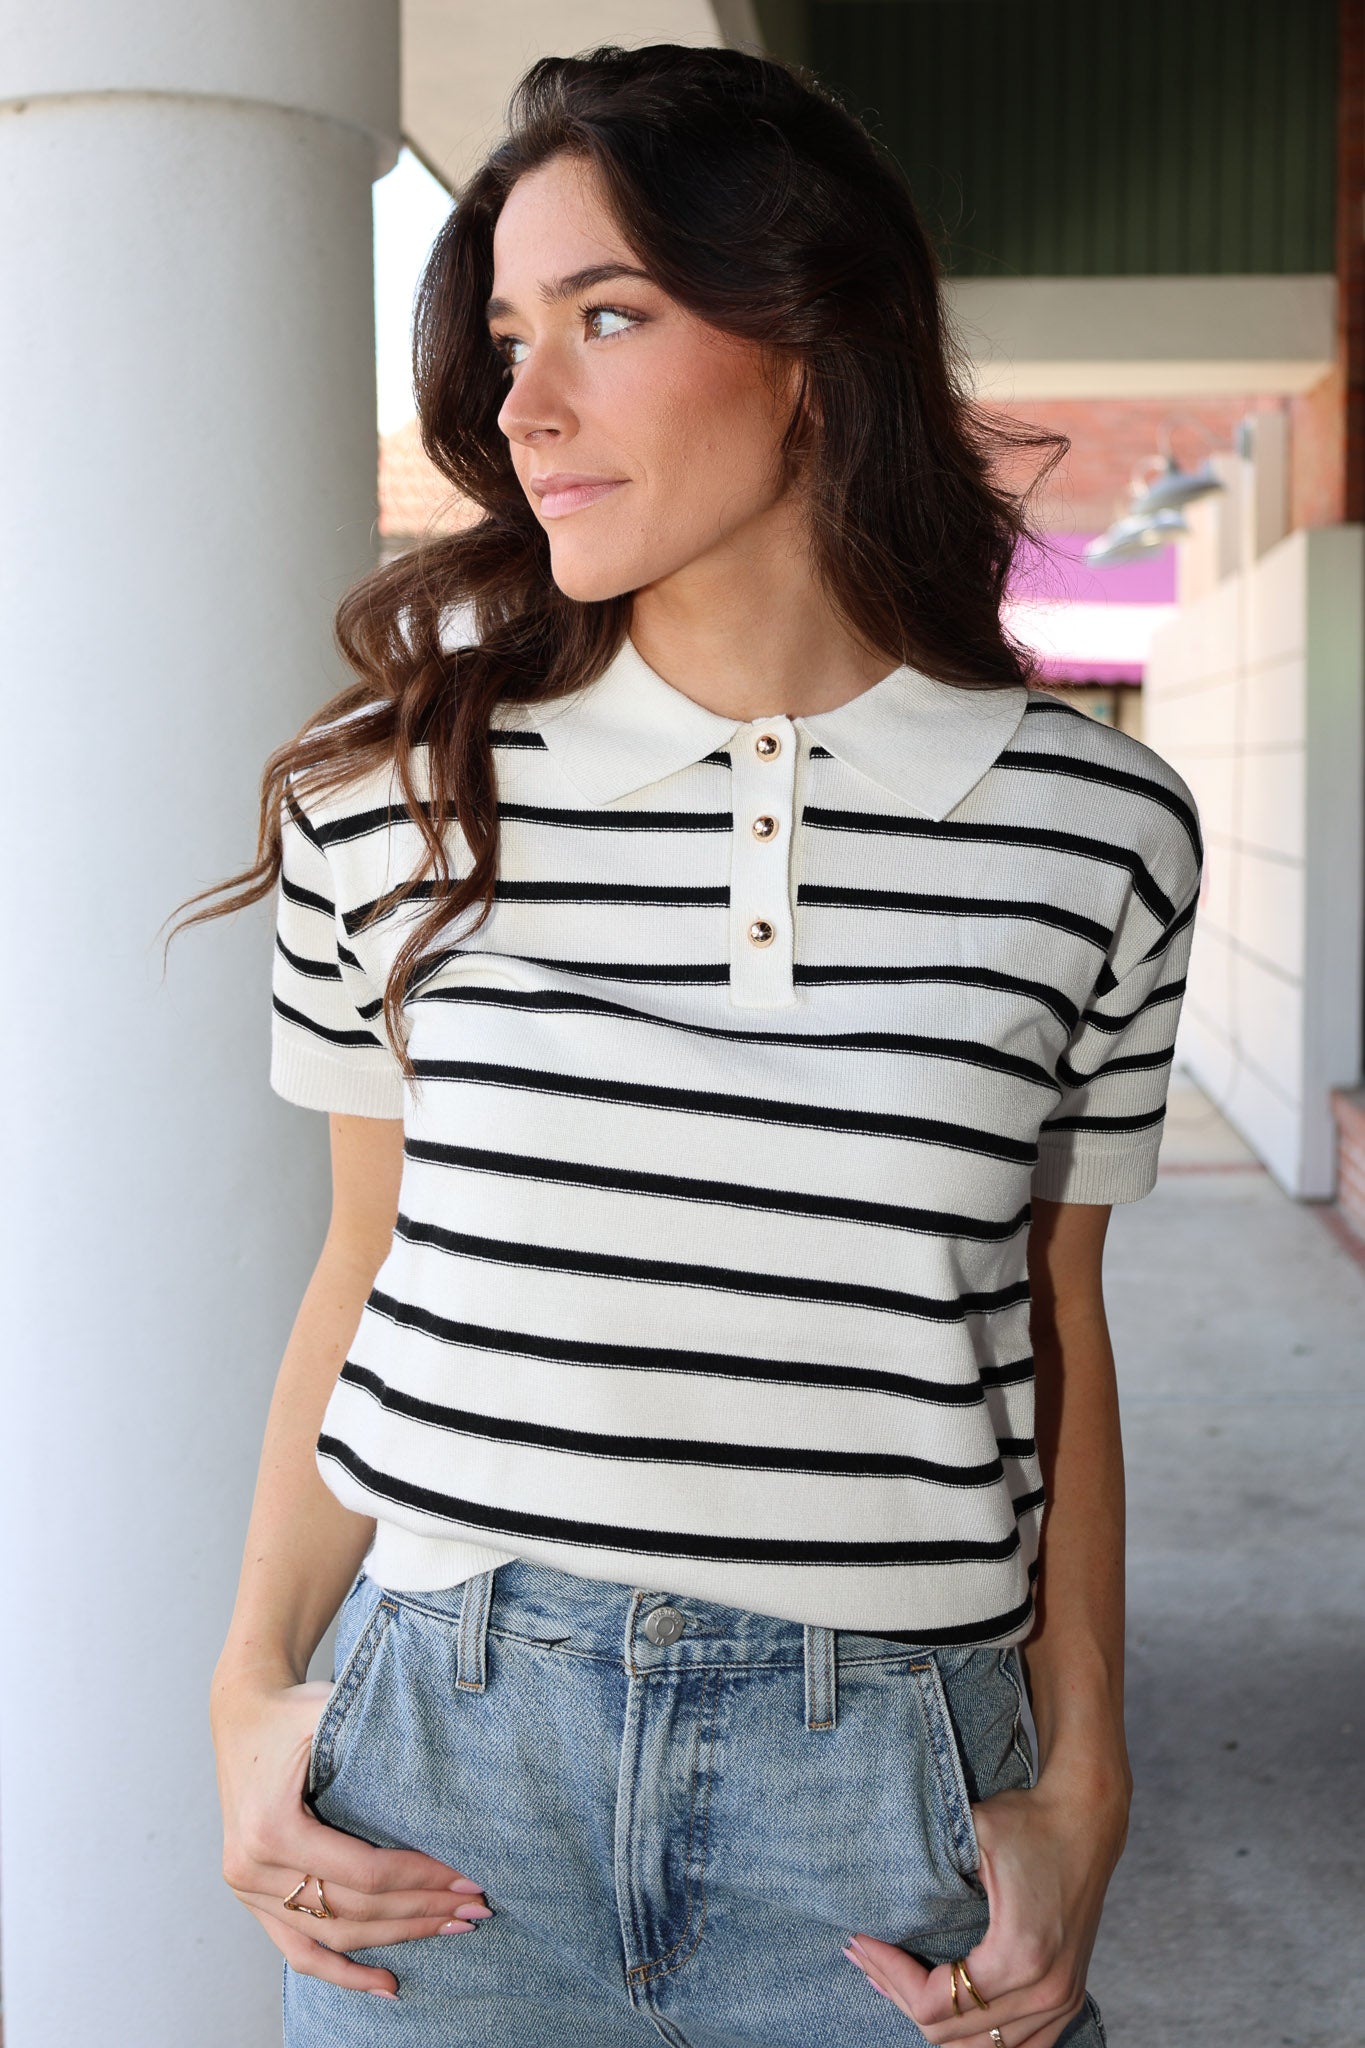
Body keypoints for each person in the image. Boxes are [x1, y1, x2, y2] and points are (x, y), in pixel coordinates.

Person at [187, 42, 1202, 2048]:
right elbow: (364, 1262)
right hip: (442, 1784)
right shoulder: (387, 801)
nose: (520, 405)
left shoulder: (1093, 833)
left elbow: (1051, 1321)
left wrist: (1086, 1778)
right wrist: (245, 1692)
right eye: (505, 339)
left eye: (607, 316)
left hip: (883, 1793)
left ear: (810, 342)